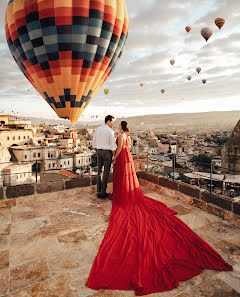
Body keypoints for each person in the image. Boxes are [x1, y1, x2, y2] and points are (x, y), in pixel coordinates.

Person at [87, 121, 233, 296]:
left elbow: (118, 150)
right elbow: (127, 148)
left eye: (119, 125)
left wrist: (116, 157)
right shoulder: (128, 136)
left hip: (122, 158)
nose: (117, 126)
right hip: (130, 158)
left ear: (121, 127)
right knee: (130, 180)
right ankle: (126, 193)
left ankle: (119, 194)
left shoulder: (119, 136)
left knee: (118, 183)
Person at [92, 115, 117, 199]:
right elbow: (113, 145)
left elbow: (94, 143)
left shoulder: (97, 129)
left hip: (99, 151)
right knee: (106, 172)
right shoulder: (110, 131)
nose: (113, 123)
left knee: (99, 171)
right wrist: (114, 156)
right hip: (107, 153)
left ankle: (98, 191)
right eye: (112, 121)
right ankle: (103, 193)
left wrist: (98, 151)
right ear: (108, 121)